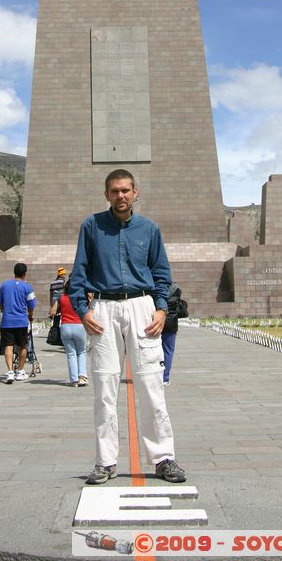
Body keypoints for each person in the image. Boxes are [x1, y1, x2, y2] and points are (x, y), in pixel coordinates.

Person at [69, 168, 186, 485]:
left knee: (151, 386)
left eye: (125, 190)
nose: (120, 196)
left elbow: (162, 274)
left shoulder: (149, 229)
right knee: (105, 389)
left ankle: (163, 458)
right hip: (104, 309)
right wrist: (82, 310)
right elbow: (78, 273)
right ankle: (106, 462)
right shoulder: (92, 227)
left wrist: (161, 309)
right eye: (114, 191)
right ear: (106, 194)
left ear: (136, 192)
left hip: (141, 308)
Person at [0, 262, 36, 384]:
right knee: (23, 345)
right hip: (21, 321)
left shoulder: (4, 285)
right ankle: (20, 371)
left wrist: (3, 309)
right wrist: (30, 315)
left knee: (8, 345)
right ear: (25, 274)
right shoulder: (27, 287)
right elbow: (32, 304)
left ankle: (9, 372)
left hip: (7, 321)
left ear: (14, 272)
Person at [49, 279, 87, 387]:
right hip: (79, 326)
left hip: (65, 327)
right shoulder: (80, 298)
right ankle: (82, 377)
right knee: (81, 352)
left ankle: (73, 380)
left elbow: (52, 312)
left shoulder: (61, 298)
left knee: (71, 354)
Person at [161, 283, 182, 386]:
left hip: (156, 322)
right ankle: (165, 378)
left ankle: (154, 376)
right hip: (171, 323)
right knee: (168, 351)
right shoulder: (176, 289)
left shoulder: (154, 288)